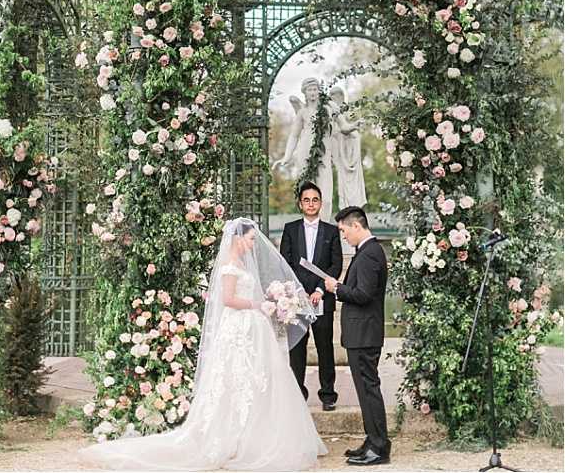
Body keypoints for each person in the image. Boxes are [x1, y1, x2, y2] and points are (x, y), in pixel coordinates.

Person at [83, 218, 327, 471]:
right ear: (238, 238)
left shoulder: (243, 263)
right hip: (238, 329)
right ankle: (232, 436)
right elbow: (229, 299)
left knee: (257, 379)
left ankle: (251, 434)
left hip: (251, 328)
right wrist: (258, 305)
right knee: (235, 379)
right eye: (251, 238)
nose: (254, 243)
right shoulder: (230, 266)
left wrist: (271, 300)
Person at [324, 206, 391, 467]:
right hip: (361, 333)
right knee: (365, 390)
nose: (343, 236)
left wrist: (336, 288)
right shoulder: (367, 252)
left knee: (369, 389)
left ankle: (379, 447)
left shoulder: (370, 254)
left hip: (365, 334)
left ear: (356, 226)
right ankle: (372, 439)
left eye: (343, 230)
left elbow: (363, 295)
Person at [280, 182, 343, 411]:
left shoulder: (332, 231)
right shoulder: (290, 229)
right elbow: (284, 263)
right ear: (300, 203)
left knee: (325, 347)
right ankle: (298, 393)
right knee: (297, 348)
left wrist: (318, 290)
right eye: (306, 200)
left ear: (320, 203)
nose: (310, 203)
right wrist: (299, 292)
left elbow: (336, 264)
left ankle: (328, 395)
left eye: (315, 199)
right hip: (297, 300)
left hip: (322, 299)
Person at [277, 78, 335, 220]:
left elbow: (342, 125)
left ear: (319, 91)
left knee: (325, 199)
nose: (313, 92)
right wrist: (287, 156)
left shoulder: (327, 109)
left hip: (323, 155)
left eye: (315, 89)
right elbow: (294, 136)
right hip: (305, 153)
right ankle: (311, 229)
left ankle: (324, 229)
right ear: (305, 93)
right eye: (310, 90)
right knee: (308, 197)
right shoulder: (302, 113)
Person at [328, 85, 368, 210]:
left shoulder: (344, 111)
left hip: (351, 151)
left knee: (353, 180)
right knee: (344, 180)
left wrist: (354, 126)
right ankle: (347, 205)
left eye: (341, 96)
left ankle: (353, 205)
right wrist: (355, 125)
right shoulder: (332, 111)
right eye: (337, 96)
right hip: (342, 151)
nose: (340, 98)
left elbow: (346, 127)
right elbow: (343, 129)